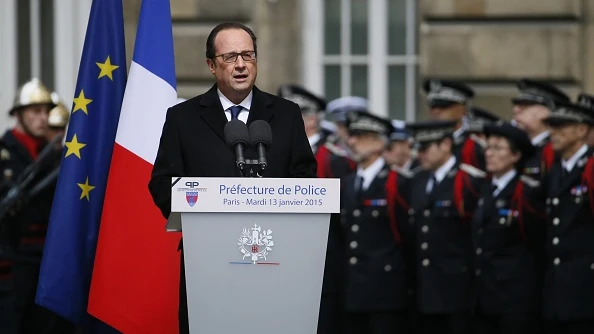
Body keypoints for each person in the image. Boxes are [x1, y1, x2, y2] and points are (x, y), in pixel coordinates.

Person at [147, 22, 317, 334]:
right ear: (211, 65)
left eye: (248, 56)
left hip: (275, 259)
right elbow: (161, 182)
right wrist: (197, 206)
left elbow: (305, 176)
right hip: (207, 263)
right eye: (230, 57)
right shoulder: (183, 118)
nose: (240, 65)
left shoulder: (286, 113)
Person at [0, 78, 71, 334]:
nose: (43, 118)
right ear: (19, 114)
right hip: (14, 261)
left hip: (47, 259)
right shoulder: (4, 152)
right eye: (35, 111)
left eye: (46, 112)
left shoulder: (52, 155)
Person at [403, 120, 487, 334]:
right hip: (425, 288)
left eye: (426, 147)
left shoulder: (467, 180)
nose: (420, 154)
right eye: (417, 148)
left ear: (446, 144)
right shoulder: (417, 180)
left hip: (458, 287)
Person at [339, 110, 411, 334]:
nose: (351, 141)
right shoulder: (346, 183)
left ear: (379, 142)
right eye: (351, 135)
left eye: (360, 135)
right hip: (351, 289)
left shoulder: (396, 183)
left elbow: (407, 236)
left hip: (385, 289)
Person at [470, 122, 545, 334]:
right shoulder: (485, 189)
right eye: (488, 147)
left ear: (515, 155)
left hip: (515, 296)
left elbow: (537, 241)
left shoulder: (525, 192)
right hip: (484, 294)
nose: (490, 154)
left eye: (498, 148)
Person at [541, 100, 594, 334]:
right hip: (558, 286)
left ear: (582, 130)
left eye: (561, 126)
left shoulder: (591, 166)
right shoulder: (554, 171)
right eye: (551, 126)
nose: (553, 133)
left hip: (586, 284)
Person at [511, 79, 570, 180]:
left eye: (525, 105)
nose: (516, 110)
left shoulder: (555, 151)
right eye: (516, 105)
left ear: (547, 111)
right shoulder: (518, 147)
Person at [422, 79, 485, 169]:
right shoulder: (424, 146)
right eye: (433, 106)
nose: (436, 111)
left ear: (463, 110)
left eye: (444, 106)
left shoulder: (475, 147)